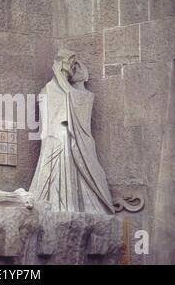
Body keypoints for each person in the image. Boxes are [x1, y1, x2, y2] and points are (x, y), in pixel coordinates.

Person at [30, 50, 114, 214]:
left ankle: (73, 205)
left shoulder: (72, 90)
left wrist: (82, 81)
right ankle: (60, 205)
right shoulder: (49, 89)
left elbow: (83, 100)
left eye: (74, 67)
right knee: (61, 158)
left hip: (71, 137)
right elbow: (48, 119)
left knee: (74, 157)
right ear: (60, 65)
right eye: (69, 65)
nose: (71, 70)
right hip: (56, 137)